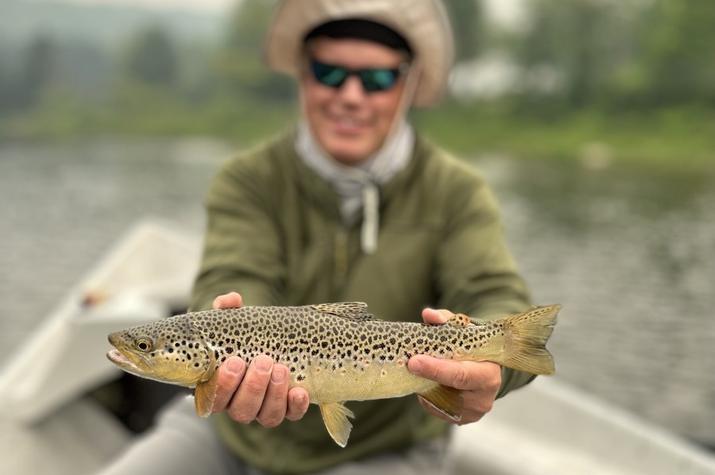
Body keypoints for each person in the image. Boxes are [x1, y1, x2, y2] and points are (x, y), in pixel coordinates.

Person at [100, 1, 535, 474]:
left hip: (383, 444)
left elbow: (495, 292)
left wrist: (498, 364)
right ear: (303, 77)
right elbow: (232, 274)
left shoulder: (455, 192)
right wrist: (229, 315)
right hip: (229, 431)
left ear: (408, 85)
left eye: (376, 79)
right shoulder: (248, 179)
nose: (350, 96)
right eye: (330, 72)